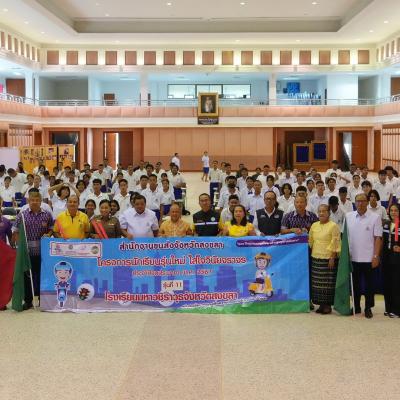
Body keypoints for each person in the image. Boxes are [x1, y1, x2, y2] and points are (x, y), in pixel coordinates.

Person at [12, 191, 53, 310]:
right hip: (27, 253)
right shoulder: (22, 215)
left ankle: (42, 299)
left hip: (42, 253)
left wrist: (48, 234)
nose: (35, 202)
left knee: (41, 276)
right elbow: (15, 230)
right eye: (32, 200)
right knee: (27, 277)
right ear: (28, 201)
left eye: (37, 200)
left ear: (41, 201)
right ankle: (28, 301)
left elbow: (51, 229)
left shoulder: (47, 215)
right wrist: (20, 245)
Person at [346, 193, 383, 318]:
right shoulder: (348, 216)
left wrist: (376, 256)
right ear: (355, 202)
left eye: (363, 201)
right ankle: (356, 307)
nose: (360, 203)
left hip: (369, 258)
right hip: (353, 258)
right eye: (358, 201)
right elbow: (345, 237)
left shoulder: (375, 217)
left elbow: (378, 238)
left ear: (367, 202)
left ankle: (368, 308)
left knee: (369, 286)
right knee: (355, 285)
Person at [308, 204, 341, 314]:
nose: (321, 213)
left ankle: (327, 306)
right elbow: (310, 241)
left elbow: (335, 241)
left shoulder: (333, 226)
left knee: (327, 283)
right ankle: (321, 305)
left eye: (324, 211)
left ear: (329, 213)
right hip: (315, 257)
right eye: (320, 211)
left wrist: (332, 257)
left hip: (328, 258)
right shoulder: (314, 225)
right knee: (317, 283)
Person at [382, 204, 400, 317]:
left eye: (396, 210)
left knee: (396, 284)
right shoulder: (386, 224)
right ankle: (388, 308)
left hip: (397, 259)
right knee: (387, 283)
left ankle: (397, 310)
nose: (393, 212)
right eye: (392, 210)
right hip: (386, 257)